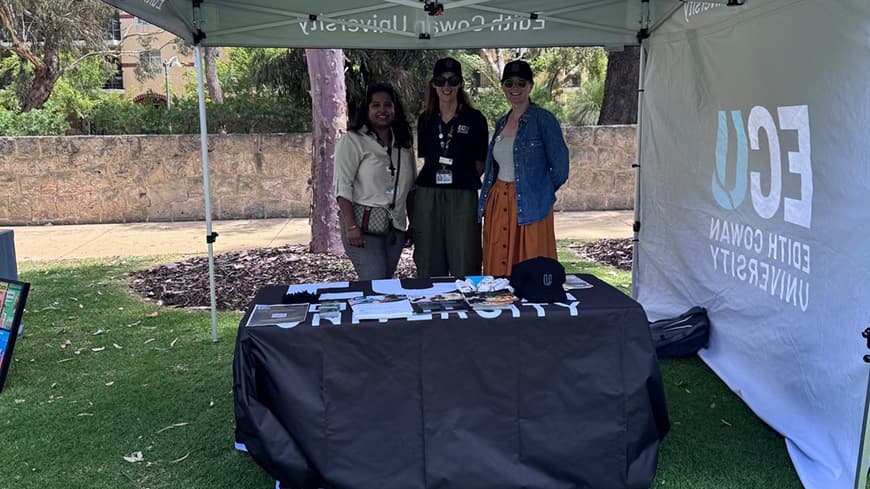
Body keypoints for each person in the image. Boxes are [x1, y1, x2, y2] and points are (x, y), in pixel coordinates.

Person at [477, 60, 569, 276]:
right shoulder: (502, 122)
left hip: (531, 204)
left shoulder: (543, 120)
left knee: (531, 265)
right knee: (498, 264)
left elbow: (561, 168)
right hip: (499, 201)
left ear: (530, 86)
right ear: (503, 87)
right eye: (509, 83)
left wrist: (539, 191)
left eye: (521, 83)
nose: (515, 88)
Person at [413, 57, 489, 278]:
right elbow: (427, 157)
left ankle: (467, 298)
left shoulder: (475, 119)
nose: (446, 86)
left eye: (453, 80)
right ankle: (431, 298)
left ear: (460, 84)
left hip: (463, 194)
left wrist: (460, 177)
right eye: (441, 81)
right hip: (429, 194)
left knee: (465, 258)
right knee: (428, 258)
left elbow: (480, 163)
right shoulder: (425, 119)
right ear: (433, 84)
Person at [334, 83, 417, 280]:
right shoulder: (353, 140)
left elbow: (410, 190)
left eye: (387, 105)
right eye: (376, 105)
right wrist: (351, 226)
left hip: (395, 228)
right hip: (363, 228)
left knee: (384, 283)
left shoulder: (403, 144)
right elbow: (342, 187)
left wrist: (412, 225)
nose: (382, 110)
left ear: (395, 109)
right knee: (375, 282)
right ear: (367, 109)